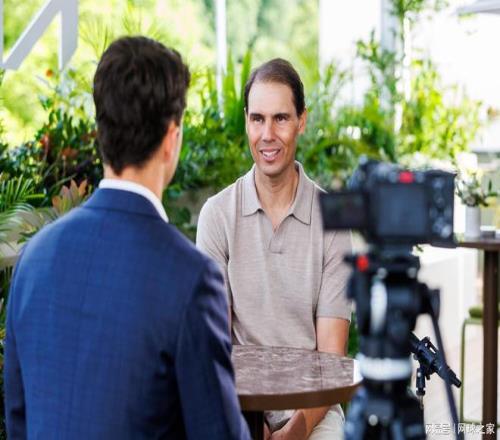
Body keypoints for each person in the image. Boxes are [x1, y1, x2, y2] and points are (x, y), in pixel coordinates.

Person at [4, 36, 250, 440]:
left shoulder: (33, 259)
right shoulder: (191, 279)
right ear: (171, 138)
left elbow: (19, 421)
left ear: (100, 131)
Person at [197, 58, 352, 439]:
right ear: (246, 122)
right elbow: (215, 346)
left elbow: (332, 357)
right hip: (237, 408)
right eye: (257, 119)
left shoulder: (332, 221)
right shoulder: (217, 215)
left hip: (314, 410)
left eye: (280, 119)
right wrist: (253, 428)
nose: (267, 134)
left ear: (302, 120)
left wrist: (296, 429)